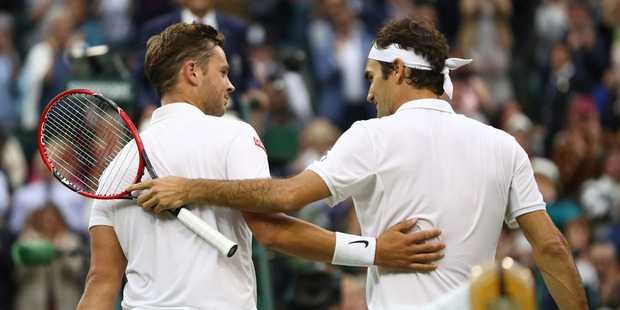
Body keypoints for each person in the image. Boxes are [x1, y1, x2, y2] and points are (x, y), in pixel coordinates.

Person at [130, 18, 588, 309]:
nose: (369, 94)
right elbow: (552, 250)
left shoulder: (371, 136)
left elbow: (284, 197)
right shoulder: (504, 145)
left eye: (373, 79)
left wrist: (190, 187)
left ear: (400, 72)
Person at [78, 22, 445, 310]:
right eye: (222, 73)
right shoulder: (234, 135)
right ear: (192, 72)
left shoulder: (117, 166)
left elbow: (101, 281)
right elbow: (272, 233)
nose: (232, 85)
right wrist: (374, 251)